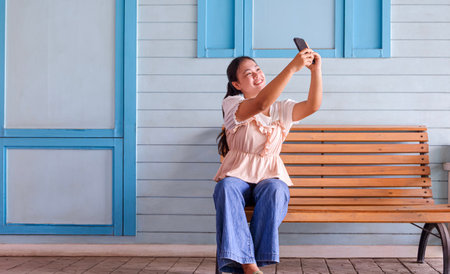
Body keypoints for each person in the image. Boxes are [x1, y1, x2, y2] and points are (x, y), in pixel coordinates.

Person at [212, 46, 322, 274]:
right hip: (238, 174)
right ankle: (249, 266)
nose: (257, 75)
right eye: (248, 74)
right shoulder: (233, 104)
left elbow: (312, 105)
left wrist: (315, 71)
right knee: (226, 188)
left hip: (269, 175)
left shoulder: (282, 109)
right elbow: (260, 104)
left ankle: (248, 261)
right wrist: (292, 67)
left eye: (258, 70)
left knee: (276, 189)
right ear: (237, 85)